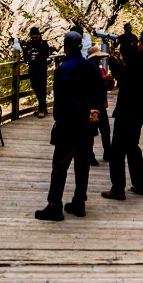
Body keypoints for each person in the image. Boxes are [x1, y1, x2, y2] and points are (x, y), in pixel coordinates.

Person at [35, 31, 106, 221]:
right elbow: (100, 93)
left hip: (68, 125)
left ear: (66, 47)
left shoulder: (63, 70)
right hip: (87, 125)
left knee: (60, 166)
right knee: (82, 165)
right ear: (80, 46)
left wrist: (59, 120)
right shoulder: (91, 68)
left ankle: (54, 205)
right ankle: (79, 202)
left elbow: (64, 101)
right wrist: (94, 111)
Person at [102, 31, 143, 200]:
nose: (137, 45)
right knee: (133, 146)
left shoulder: (139, 61)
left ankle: (118, 188)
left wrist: (111, 59)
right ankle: (141, 184)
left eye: (139, 42)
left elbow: (123, 76)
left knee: (117, 149)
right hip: (141, 110)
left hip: (127, 110)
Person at [84, 43, 114, 165]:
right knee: (93, 131)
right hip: (93, 104)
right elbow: (92, 86)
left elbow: (103, 86)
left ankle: (107, 152)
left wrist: (109, 82)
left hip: (101, 103)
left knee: (104, 130)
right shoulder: (89, 70)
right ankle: (90, 155)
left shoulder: (100, 69)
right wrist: (104, 80)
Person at [21, 26, 52, 118]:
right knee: (35, 86)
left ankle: (41, 108)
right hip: (32, 69)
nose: (34, 39)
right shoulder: (29, 44)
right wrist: (29, 55)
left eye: (36, 37)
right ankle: (43, 107)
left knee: (42, 88)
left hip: (41, 69)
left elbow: (46, 54)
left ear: (39, 35)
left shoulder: (44, 44)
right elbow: (25, 57)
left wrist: (37, 55)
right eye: (32, 37)